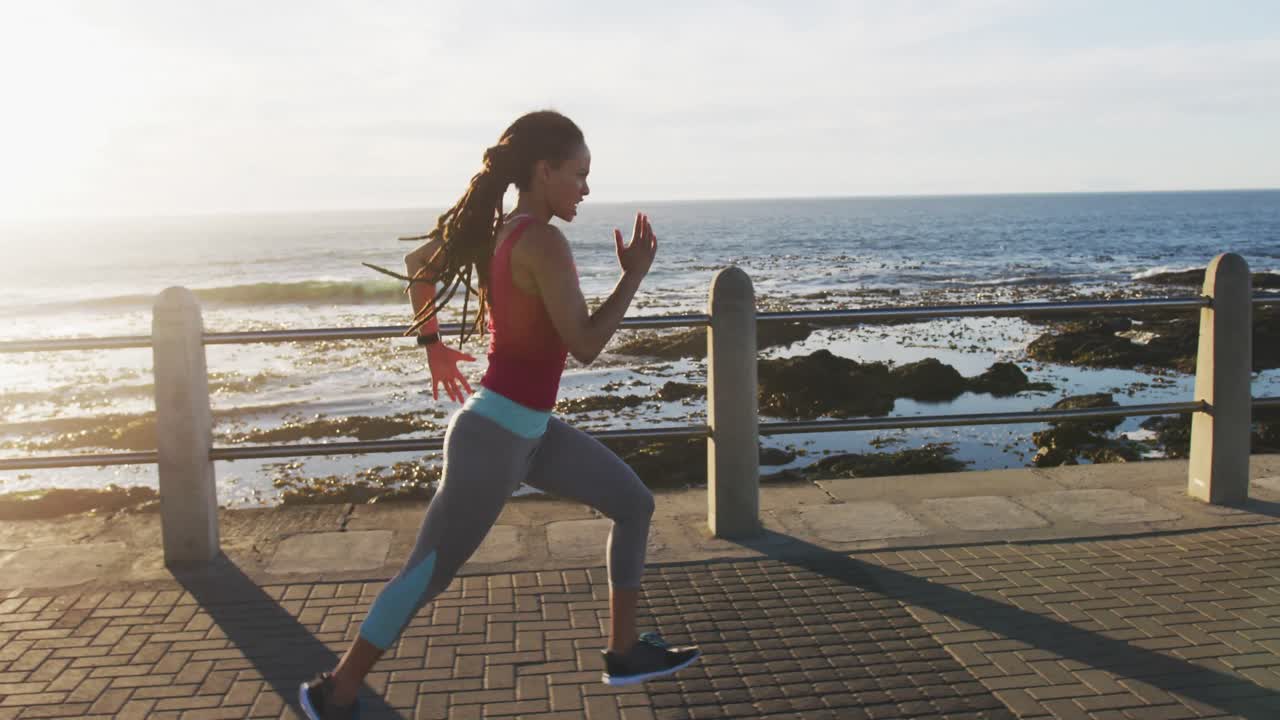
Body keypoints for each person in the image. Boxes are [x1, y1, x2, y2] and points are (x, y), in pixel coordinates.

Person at [300, 110, 700, 719]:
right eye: (579, 174)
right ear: (545, 171)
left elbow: (418, 267)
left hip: (530, 430)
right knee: (429, 572)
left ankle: (623, 650)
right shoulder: (540, 240)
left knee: (634, 503)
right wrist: (634, 278)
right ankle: (336, 690)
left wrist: (433, 346)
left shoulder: (498, 231)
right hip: (494, 436)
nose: (586, 189)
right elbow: (587, 342)